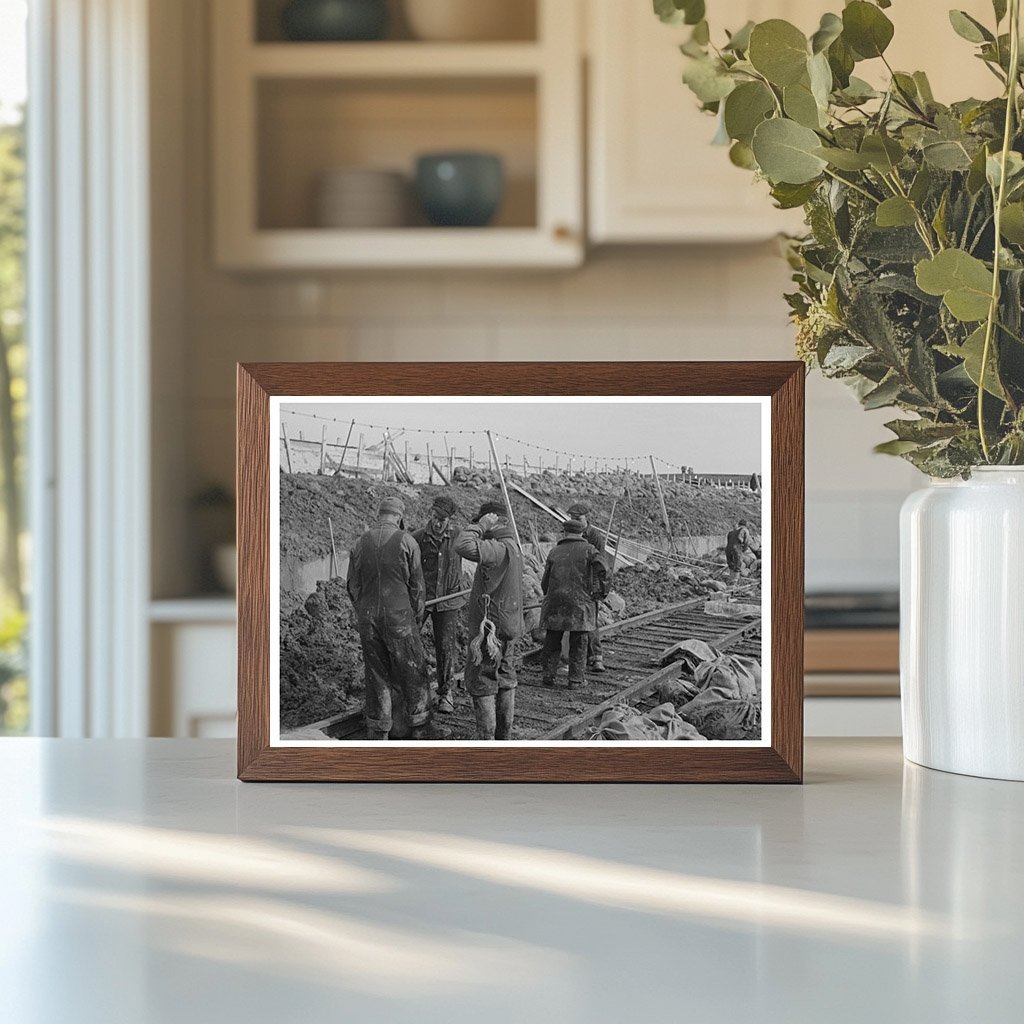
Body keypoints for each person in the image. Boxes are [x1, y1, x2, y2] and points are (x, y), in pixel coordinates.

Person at [346, 495, 436, 740]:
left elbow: (352, 586)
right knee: (412, 669)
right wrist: (415, 618)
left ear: (379, 515)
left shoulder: (359, 543)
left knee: (376, 673)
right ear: (399, 516)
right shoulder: (407, 541)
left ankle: (379, 730)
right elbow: (417, 586)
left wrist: (363, 612)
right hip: (399, 617)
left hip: (367, 618)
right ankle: (419, 726)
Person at [454, 500, 524, 740]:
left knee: (482, 678)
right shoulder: (514, 547)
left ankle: (486, 738)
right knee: (505, 676)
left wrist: (480, 526)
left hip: (489, 631)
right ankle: (504, 738)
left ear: (493, 520)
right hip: (510, 625)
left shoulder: (497, 548)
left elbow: (462, 545)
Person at [412, 495, 465, 714]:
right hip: (423, 599)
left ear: (449, 520)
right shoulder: (417, 538)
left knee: (445, 646)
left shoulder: (459, 538)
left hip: (448, 600)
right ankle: (413, 691)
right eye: (434, 517)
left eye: (442, 519)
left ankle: (446, 693)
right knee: (410, 640)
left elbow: (479, 552)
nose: (437, 523)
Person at [540, 520, 608, 689]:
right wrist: (601, 592)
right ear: (582, 533)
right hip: (581, 603)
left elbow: (545, 580)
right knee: (579, 641)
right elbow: (605, 571)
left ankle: (548, 675)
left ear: (564, 532)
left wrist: (549, 594)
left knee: (552, 639)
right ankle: (575, 680)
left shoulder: (554, 551)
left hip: (555, 601)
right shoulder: (590, 550)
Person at [566, 503, 608, 673]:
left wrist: (599, 589)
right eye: (573, 518)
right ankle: (578, 657)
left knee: (591, 621)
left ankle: (597, 656)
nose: (575, 521)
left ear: (586, 518)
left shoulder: (595, 537)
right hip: (572, 584)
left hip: (589, 585)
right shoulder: (568, 533)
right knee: (574, 623)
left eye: (578, 519)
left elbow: (602, 565)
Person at [725, 518, 755, 585]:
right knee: (737, 565)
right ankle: (734, 583)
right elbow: (746, 542)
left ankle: (730, 580)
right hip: (737, 548)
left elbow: (729, 542)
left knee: (731, 565)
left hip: (728, 549)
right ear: (745, 525)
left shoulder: (732, 531)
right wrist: (743, 550)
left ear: (739, 524)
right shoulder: (744, 530)